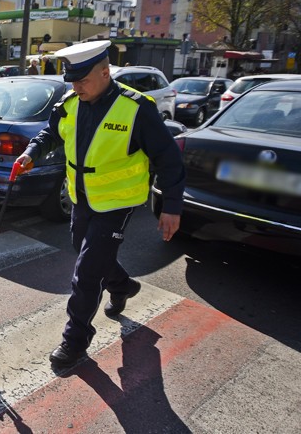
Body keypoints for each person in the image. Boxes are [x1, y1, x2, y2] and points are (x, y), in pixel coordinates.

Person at [14, 40, 184, 369]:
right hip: (82, 198)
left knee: (87, 272)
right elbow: (50, 133)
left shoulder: (137, 108)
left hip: (117, 203)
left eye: (82, 81)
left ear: (105, 72)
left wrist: (172, 207)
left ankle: (75, 340)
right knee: (83, 248)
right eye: (73, 82)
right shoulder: (71, 102)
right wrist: (31, 153)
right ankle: (123, 285)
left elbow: (169, 159)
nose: (76, 87)